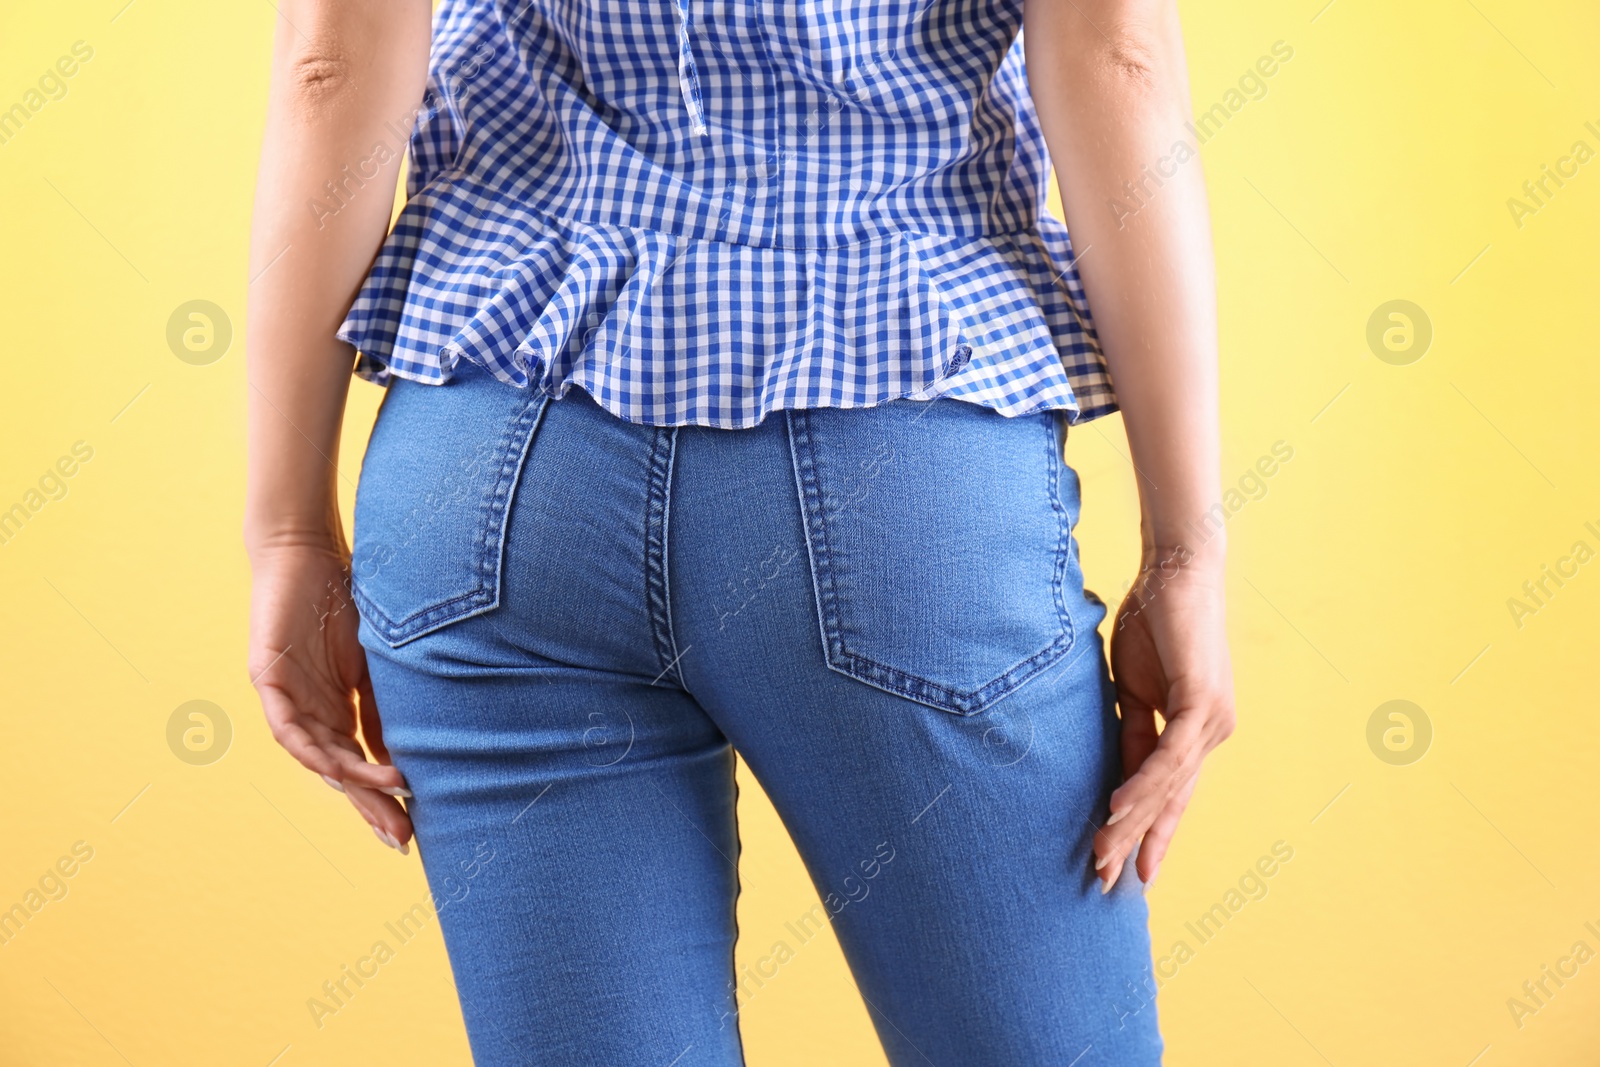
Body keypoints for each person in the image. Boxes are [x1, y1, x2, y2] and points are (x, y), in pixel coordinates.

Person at [244, 0, 1234, 1062]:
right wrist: (1185, 547)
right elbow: (1115, 55)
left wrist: (291, 532)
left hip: (494, 482)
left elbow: (331, 65)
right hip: (897, 463)